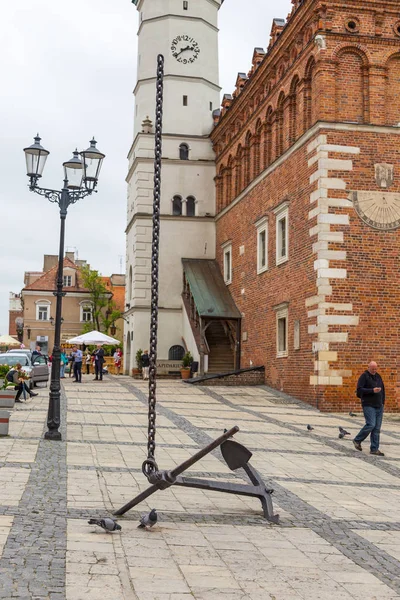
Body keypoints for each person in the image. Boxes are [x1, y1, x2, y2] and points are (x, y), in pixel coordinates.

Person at [353, 361, 385, 456]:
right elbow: (359, 390)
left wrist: (383, 402)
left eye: (376, 369)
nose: (374, 370)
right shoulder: (364, 376)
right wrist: (372, 390)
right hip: (368, 404)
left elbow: (383, 390)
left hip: (379, 405)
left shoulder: (378, 376)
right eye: (372, 369)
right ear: (368, 368)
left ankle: (374, 449)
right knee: (371, 424)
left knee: (377, 428)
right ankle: (357, 440)